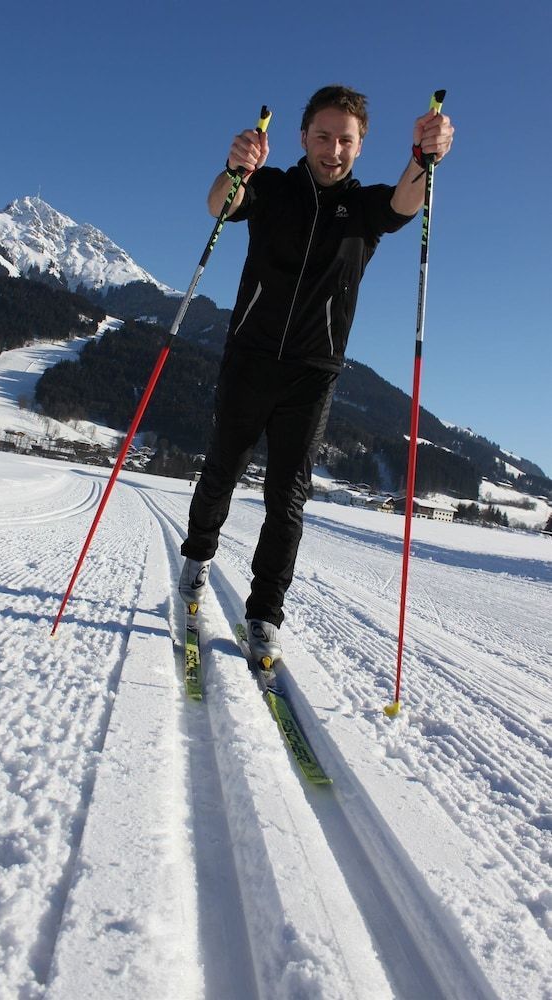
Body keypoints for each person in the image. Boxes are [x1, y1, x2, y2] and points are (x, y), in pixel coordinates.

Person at [178, 85, 454, 665]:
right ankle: (197, 560)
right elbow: (220, 205)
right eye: (323, 137)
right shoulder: (273, 188)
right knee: (221, 472)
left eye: (345, 140)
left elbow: (407, 202)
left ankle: (263, 614)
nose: (333, 150)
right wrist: (234, 168)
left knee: (288, 500)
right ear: (303, 137)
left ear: (360, 145)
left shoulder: (365, 208)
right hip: (250, 359)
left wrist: (424, 157)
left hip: (312, 373)